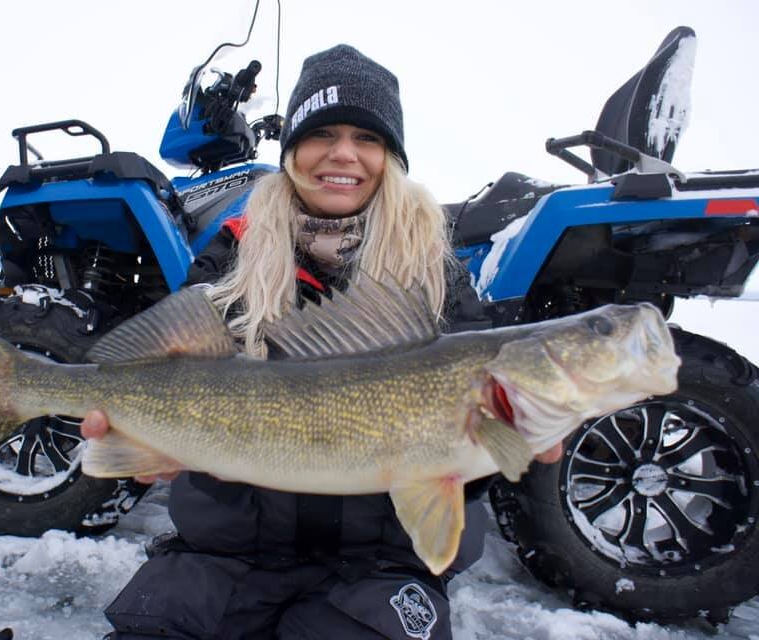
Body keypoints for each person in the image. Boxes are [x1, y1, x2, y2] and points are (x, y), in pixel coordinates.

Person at [82, 44, 562, 640]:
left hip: (377, 573)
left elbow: (460, 464)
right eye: (322, 133)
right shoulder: (229, 259)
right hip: (224, 559)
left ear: (391, 157)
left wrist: (500, 449)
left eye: (367, 137)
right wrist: (147, 444)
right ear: (291, 153)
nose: (343, 154)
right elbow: (170, 374)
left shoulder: (438, 279)